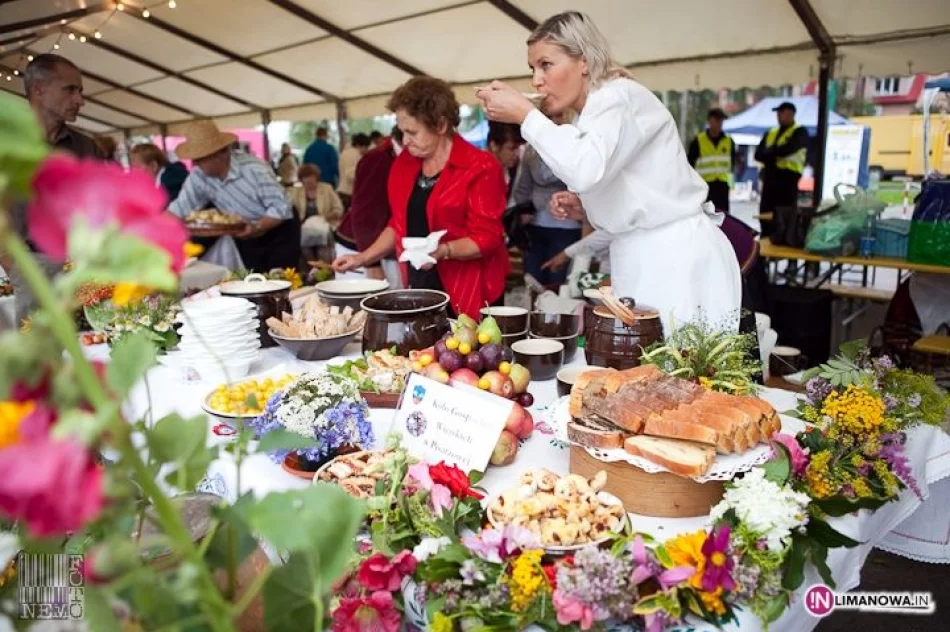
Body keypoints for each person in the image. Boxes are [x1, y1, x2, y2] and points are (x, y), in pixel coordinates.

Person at [476, 11, 740, 332]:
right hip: (646, 259)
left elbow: (584, 169)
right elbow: (622, 188)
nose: (536, 80)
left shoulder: (617, 96)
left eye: (546, 64)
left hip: (676, 260)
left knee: (680, 375)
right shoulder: (592, 114)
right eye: (532, 68)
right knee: (643, 374)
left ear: (583, 61)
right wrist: (588, 209)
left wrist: (526, 116)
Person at [332, 77, 509, 318]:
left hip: (470, 288)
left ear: (440, 125)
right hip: (421, 282)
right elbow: (398, 224)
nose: (405, 141)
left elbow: (488, 238)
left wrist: (443, 251)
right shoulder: (404, 164)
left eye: (412, 132)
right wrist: (362, 258)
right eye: (401, 132)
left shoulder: (481, 167)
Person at [6, 54, 105, 324]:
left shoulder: (87, 148)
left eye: (81, 91)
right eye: (70, 89)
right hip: (32, 265)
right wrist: (13, 265)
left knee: (95, 348)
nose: (80, 100)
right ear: (38, 90)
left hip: (88, 267)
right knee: (43, 359)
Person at [169, 120, 300, 272]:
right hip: (246, 231)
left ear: (222, 153)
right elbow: (178, 210)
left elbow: (280, 208)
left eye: (200, 158)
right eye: (194, 159)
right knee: (254, 280)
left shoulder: (254, 169)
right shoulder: (199, 176)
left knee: (282, 281)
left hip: (279, 228)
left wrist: (257, 227)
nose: (195, 164)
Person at [512, 112, 581, 288]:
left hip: (568, 223)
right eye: (549, 118)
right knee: (532, 280)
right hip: (535, 222)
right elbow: (523, 186)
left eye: (559, 117)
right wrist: (523, 210)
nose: (554, 122)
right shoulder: (531, 150)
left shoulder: (577, 147)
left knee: (558, 280)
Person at [335, 127, 405, 288]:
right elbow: (364, 212)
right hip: (362, 248)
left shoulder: (399, 155)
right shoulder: (378, 158)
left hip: (382, 249)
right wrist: (371, 264)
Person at [754, 102, 809, 214]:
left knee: (784, 214)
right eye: (778, 113)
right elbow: (758, 154)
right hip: (770, 177)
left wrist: (769, 153)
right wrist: (774, 152)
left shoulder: (799, 131)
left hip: (788, 179)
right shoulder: (771, 132)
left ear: (791, 114)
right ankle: (767, 231)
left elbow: (788, 149)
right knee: (765, 213)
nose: (778, 116)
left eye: (781, 113)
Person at [290, 164, 344, 262]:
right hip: (303, 229)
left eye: (311, 182)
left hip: (325, 226)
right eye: (306, 183)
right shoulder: (296, 192)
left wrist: (324, 218)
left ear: (317, 178)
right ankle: (311, 272)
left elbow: (339, 209)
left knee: (323, 250)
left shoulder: (327, 188)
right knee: (304, 250)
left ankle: (325, 271)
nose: (309, 185)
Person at [688, 108, 735, 213]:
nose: (719, 123)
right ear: (709, 121)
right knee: (705, 217)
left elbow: (733, 163)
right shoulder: (698, 141)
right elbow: (690, 165)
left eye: (721, 121)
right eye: (717, 120)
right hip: (705, 186)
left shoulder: (729, 141)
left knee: (723, 217)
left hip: (722, 186)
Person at [486, 121, 525, 198]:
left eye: (518, 148)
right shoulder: (481, 174)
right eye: (512, 149)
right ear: (494, 146)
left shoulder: (513, 168)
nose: (517, 154)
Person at [337, 132, 371, 207]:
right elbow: (350, 174)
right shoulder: (353, 154)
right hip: (348, 193)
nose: (366, 150)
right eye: (366, 147)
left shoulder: (346, 152)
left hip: (344, 192)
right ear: (359, 145)